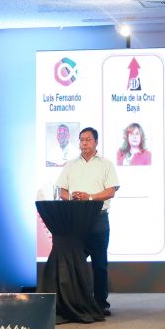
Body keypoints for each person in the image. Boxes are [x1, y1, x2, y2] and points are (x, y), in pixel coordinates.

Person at [57, 127, 120, 314]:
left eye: (88, 139)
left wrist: (90, 198)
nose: (84, 143)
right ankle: (77, 302)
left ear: (96, 143)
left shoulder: (106, 164)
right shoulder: (70, 165)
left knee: (100, 264)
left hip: (98, 219)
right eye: (81, 139)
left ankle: (101, 304)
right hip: (76, 221)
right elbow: (62, 190)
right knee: (76, 264)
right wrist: (72, 199)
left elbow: (111, 191)